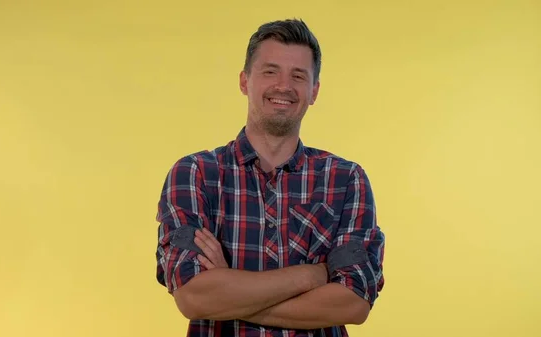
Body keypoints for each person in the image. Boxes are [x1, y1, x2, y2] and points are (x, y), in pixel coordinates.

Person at [154, 18, 385, 337]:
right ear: (244, 81)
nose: (283, 86)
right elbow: (194, 297)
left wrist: (230, 291)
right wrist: (312, 276)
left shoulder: (346, 180)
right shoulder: (195, 174)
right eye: (270, 71)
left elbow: (353, 303)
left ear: (314, 91)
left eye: (298, 76)